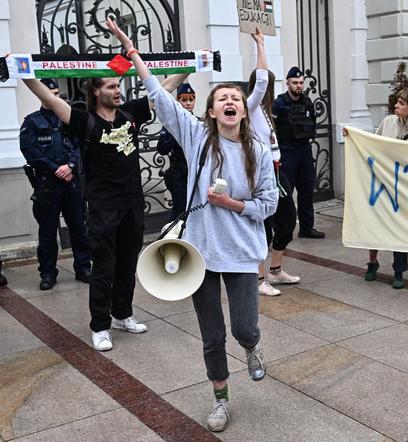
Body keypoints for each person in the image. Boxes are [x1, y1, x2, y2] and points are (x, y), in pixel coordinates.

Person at [107, 18, 277, 433]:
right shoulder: (196, 137)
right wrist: (132, 52)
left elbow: (268, 204)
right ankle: (220, 400)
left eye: (235, 97)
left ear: (243, 108)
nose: (229, 102)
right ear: (212, 110)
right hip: (200, 252)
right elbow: (160, 101)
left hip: (240, 253)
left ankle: (253, 347)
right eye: (222, 98)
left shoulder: (256, 148)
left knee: (243, 327)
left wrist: (233, 204)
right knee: (213, 336)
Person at [18, 57, 187, 352]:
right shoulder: (84, 120)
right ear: (96, 91)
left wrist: (191, 65)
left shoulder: (131, 112)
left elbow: (164, 88)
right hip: (103, 207)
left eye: (118, 84)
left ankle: (122, 314)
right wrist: (24, 74)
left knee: (127, 264)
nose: (118, 90)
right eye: (111, 86)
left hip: (133, 203)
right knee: (104, 268)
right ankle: (100, 326)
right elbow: (47, 97)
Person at [19, 78, 91, 290]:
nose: (55, 97)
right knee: (48, 232)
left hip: (71, 182)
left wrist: (69, 165)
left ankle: (83, 267)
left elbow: (80, 145)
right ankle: (48, 273)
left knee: (78, 227)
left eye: (58, 93)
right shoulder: (31, 122)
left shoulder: (68, 118)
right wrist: (54, 168)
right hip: (47, 184)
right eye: (51, 93)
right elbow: (30, 150)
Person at [247, 30, 300, 297]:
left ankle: (276, 270)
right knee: (262, 226)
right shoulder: (251, 107)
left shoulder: (267, 112)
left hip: (277, 172)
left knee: (288, 219)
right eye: (267, 84)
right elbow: (259, 81)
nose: (270, 88)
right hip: (261, 174)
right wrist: (260, 46)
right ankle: (258, 279)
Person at [365, 88, 408, 289]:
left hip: (403, 190)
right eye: (398, 102)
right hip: (382, 184)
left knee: (399, 229)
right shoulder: (388, 123)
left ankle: (399, 270)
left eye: (402, 103)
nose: (396, 105)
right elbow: (372, 144)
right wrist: (352, 136)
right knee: (375, 223)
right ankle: (372, 262)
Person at [273, 66, 325, 239]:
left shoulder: (307, 102)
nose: (299, 86)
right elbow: (272, 130)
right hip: (287, 151)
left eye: (301, 82)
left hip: (304, 150)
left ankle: (306, 228)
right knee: (285, 194)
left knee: (307, 191)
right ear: (287, 83)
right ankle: (282, 229)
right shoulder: (279, 103)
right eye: (295, 82)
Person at [157, 82, 196, 220]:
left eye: (191, 99)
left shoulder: (198, 122)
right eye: (184, 99)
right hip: (179, 174)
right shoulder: (171, 124)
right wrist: (176, 131)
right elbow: (161, 148)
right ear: (178, 101)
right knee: (179, 213)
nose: (188, 103)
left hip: (195, 174)